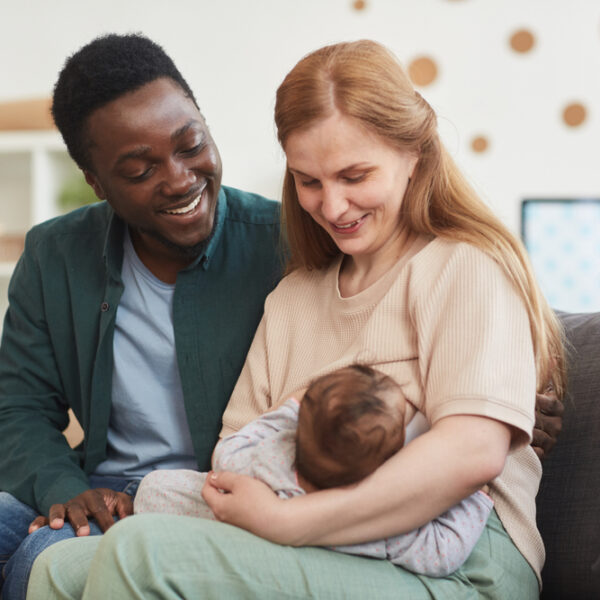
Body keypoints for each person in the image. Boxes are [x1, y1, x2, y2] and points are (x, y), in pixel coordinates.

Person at [26, 39, 567, 599]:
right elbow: (234, 458)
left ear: (415, 154)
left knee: (138, 552)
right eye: (309, 181)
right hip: (315, 548)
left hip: (457, 560)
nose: (332, 206)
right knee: (58, 569)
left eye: (354, 176)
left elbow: (472, 452)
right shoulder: (293, 299)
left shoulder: (463, 265)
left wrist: (289, 518)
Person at [0, 33, 283, 600]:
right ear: (97, 184)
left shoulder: (283, 244)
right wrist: (64, 489)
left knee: (40, 557)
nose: (179, 179)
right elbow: (20, 407)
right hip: (102, 486)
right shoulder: (55, 254)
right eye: (138, 169)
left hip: (215, 496)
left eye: (190, 144)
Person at [135, 364, 494, 577]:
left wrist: (288, 412)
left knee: (155, 489)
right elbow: (442, 552)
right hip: (316, 558)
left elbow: (226, 452)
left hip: (239, 528)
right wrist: (476, 499)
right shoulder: (381, 524)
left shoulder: (266, 457)